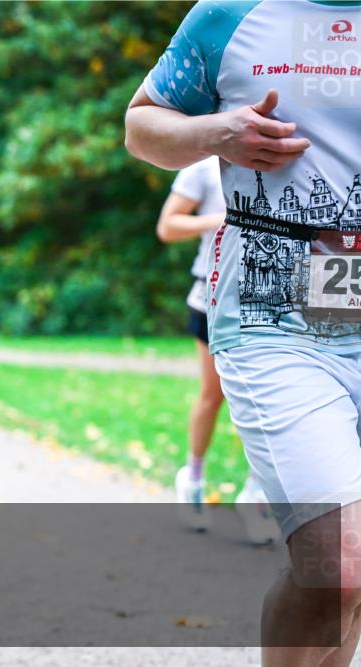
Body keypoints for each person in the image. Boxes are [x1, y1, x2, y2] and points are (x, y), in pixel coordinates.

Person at [125, 1, 361, 664]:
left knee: (348, 579)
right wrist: (217, 133)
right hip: (276, 323)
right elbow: (141, 126)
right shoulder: (231, 13)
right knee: (337, 562)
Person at [159, 157, 280, 544]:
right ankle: (192, 477)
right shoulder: (202, 166)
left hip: (271, 294)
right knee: (213, 396)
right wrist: (223, 219)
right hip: (213, 293)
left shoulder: (287, 163)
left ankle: (255, 495)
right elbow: (168, 226)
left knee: (269, 402)